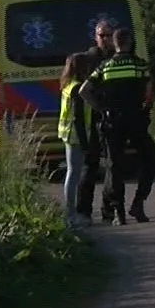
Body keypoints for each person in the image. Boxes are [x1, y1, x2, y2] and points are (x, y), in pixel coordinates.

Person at [82, 27, 155, 224]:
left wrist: (101, 108)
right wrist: (145, 110)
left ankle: (118, 213)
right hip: (135, 119)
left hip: (112, 120)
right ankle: (138, 203)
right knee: (149, 159)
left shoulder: (105, 66)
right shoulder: (139, 65)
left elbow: (84, 90)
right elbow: (149, 92)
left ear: (114, 44)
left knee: (115, 166)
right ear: (130, 42)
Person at [65, 17, 117, 221]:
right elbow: (83, 91)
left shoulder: (117, 57)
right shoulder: (89, 59)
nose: (105, 39)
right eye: (101, 35)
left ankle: (108, 208)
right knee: (90, 166)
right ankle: (83, 210)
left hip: (112, 117)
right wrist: (99, 108)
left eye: (108, 35)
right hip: (94, 117)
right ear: (95, 37)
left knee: (113, 165)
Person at [56, 53, 99, 228]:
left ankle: (70, 214)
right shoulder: (77, 88)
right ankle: (70, 215)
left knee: (72, 173)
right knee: (73, 174)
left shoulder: (67, 85)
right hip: (75, 135)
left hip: (68, 134)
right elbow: (78, 118)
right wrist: (86, 144)